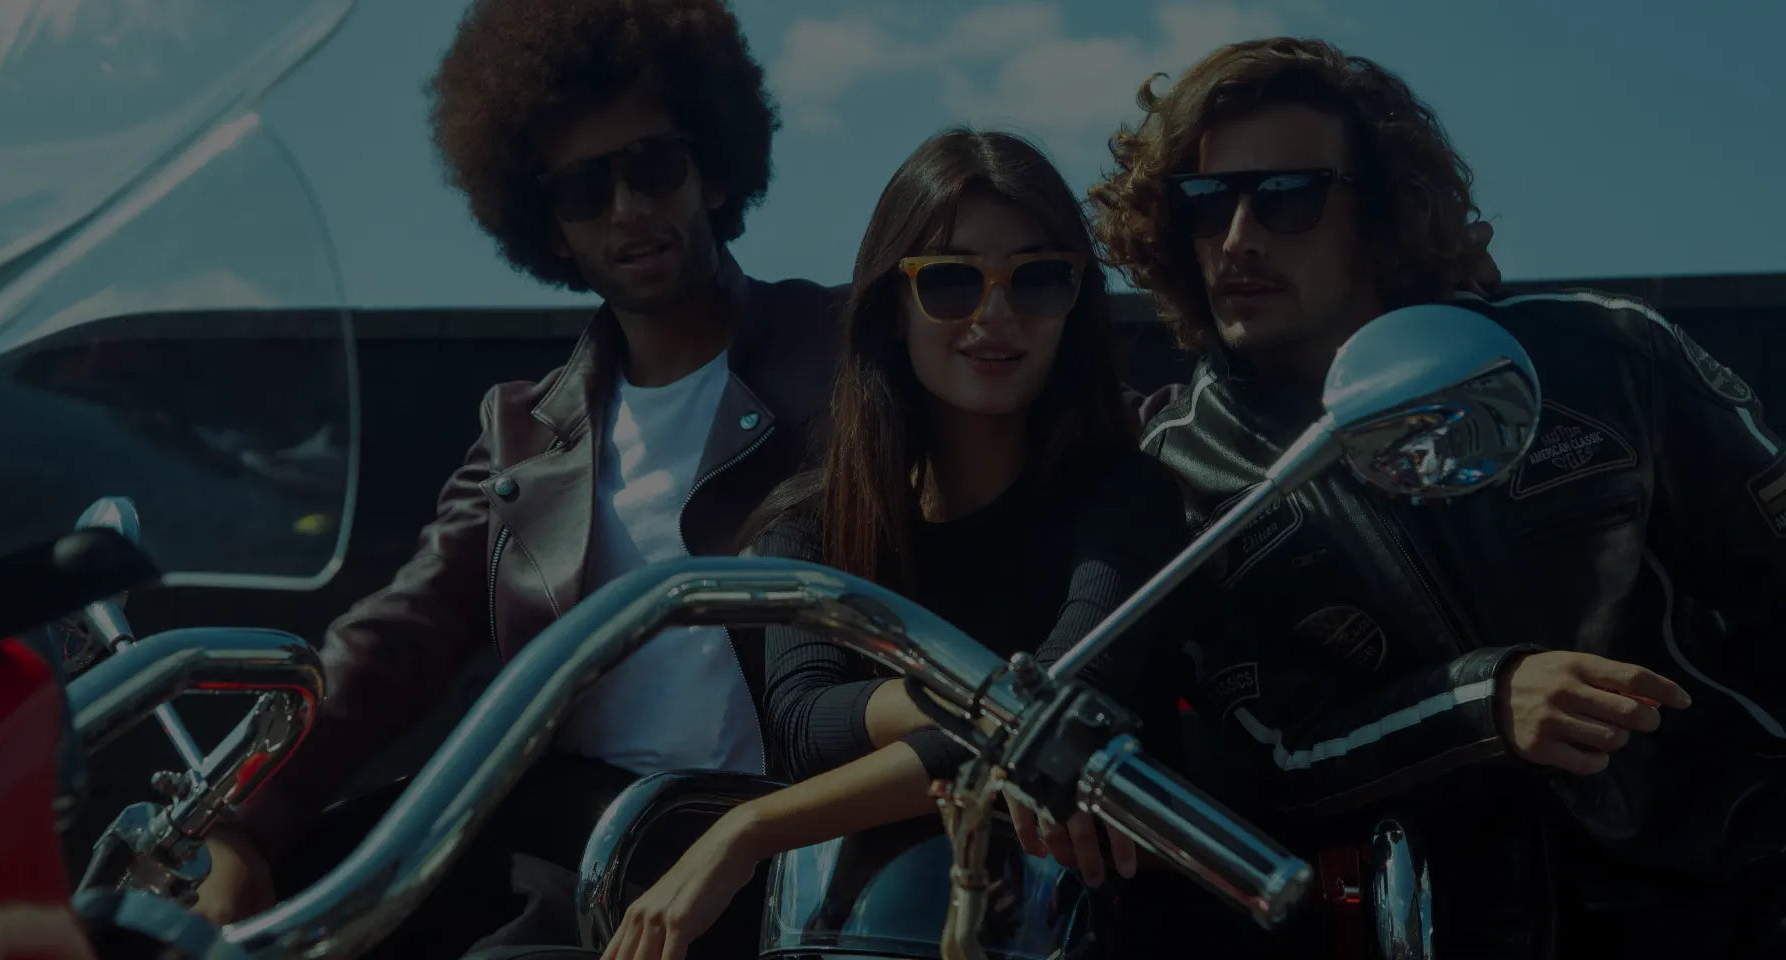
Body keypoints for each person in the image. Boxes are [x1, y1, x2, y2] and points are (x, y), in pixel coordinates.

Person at [1090, 36, 1786, 958]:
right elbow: (1275, 758)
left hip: (1735, 895)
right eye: (1205, 201)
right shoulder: (1183, 469)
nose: (1239, 236)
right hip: (1451, 928)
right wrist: (1483, 703)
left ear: (1380, 208)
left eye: (1287, 196)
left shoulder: (1605, 357)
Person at [190, 1, 842, 955]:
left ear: (711, 168)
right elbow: (392, 645)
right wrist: (240, 824)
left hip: (781, 847)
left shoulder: (848, 354)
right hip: (575, 843)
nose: (627, 208)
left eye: (654, 166)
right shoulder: (522, 435)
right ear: (550, 228)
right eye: (583, 189)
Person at [596, 127, 1206, 960]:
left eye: (1038, 279)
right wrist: (980, 708)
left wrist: (750, 827)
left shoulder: (1128, 499)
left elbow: (1066, 706)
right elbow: (807, 725)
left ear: (1075, 303)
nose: (996, 315)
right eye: (952, 280)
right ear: (890, 307)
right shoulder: (807, 525)